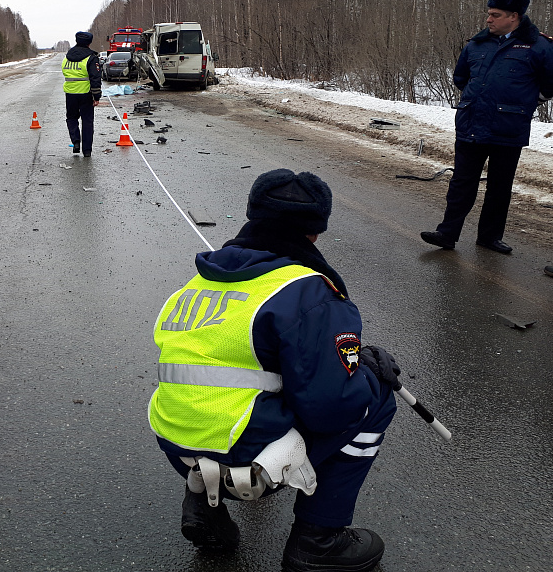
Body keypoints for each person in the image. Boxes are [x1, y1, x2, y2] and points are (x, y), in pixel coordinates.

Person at [149, 169, 399, 571]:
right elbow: (332, 407)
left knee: (228, 392)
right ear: (315, 232)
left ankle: (202, 502)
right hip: (244, 457)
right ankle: (319, 539)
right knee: (375, 399)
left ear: (253, 215)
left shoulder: (195, 285)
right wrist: (366, 370)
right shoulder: (308, 292)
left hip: (177, 447)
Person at [421, 0, 553, 254]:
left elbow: (549, 84)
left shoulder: (539, 46)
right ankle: (447, 233)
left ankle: (490, 237)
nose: (489, 20)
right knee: (462, 182)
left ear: (514, 16)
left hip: (508, 127)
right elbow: (461, 78)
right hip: (471, 122)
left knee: (499, 186)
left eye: (495, 15)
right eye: (489, 14)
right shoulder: (477, 44)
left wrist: (525, 103)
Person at [61, 31, 102, 156]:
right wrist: (96, 96)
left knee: (71, 118)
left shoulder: (67, 56)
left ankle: (76, 141)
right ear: (89, 43)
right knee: (87, 121)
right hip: (86, 93)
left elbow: (64, 71)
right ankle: (87, 150)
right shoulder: (91, 57)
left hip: (70, 93)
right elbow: (95, 78)